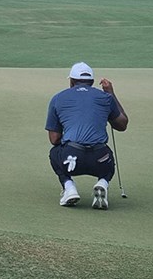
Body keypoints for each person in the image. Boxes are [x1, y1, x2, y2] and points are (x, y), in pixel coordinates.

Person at [45, 62, 129, 209]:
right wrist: (110, 93)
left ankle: (69, 188)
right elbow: (122, 125)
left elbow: (54, 139)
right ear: (91, 82)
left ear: (71, 81)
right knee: (108, 157)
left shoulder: (58, 98)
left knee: (54, 153)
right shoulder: (105, 97)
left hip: (71, 159)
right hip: (100, 160)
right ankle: (102, 183)